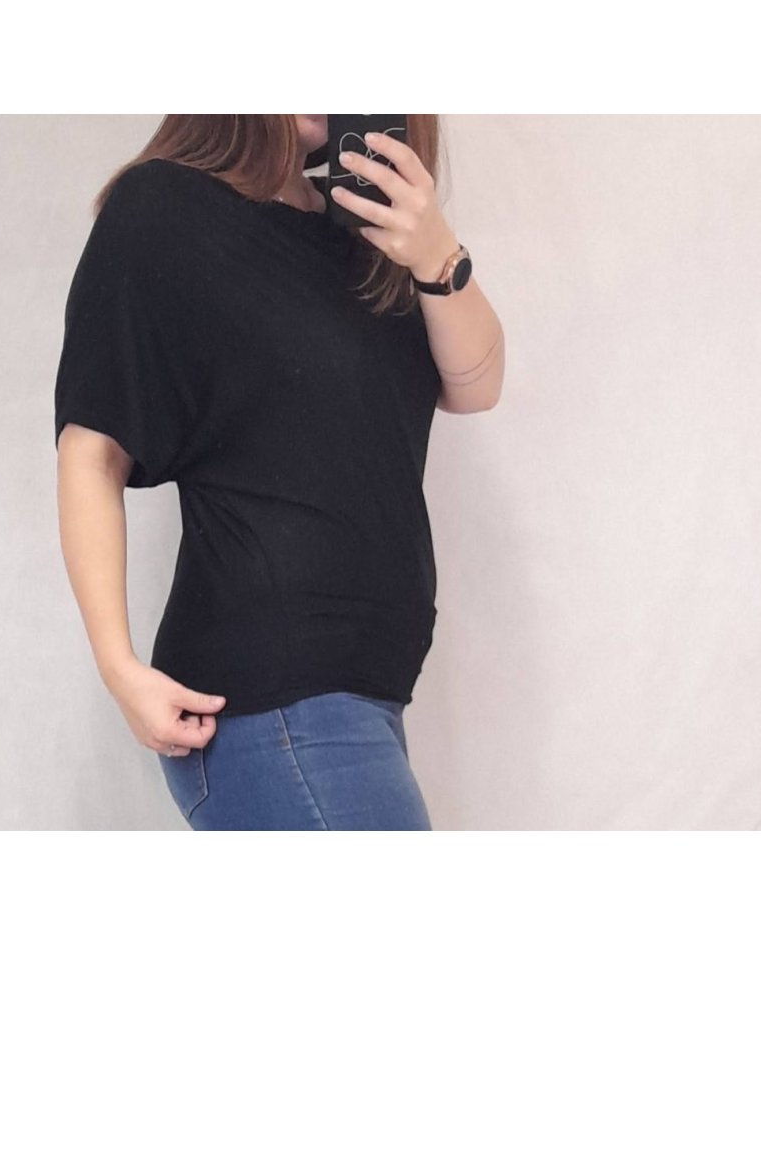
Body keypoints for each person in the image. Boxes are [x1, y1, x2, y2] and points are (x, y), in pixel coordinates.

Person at [54, 114, 503, 829]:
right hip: (270, 705)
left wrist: (437, 253)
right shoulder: (163, 208)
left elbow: (476, 386)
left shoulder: (366, 237)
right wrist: (118, 665)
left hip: (358, 703)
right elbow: (92, 450)